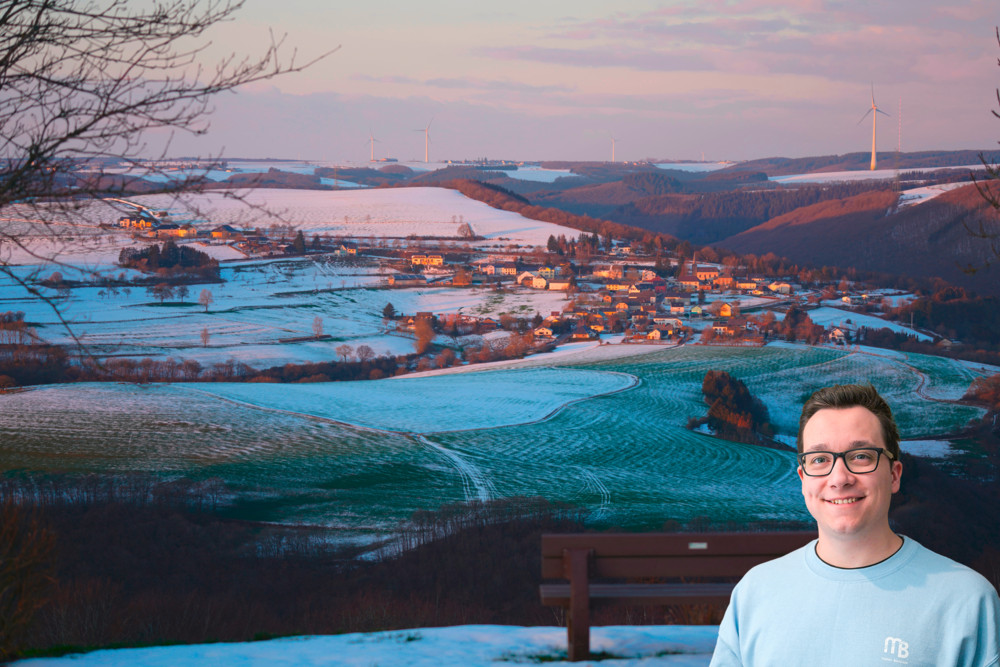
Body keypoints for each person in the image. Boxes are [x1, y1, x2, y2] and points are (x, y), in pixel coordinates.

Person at [710, 383, 1000, 666]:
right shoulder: (755, 593)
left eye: (860, 456)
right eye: (820, 459)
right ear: (803, 479)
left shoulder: (967, 601)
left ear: (894, 475)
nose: (839, 478)